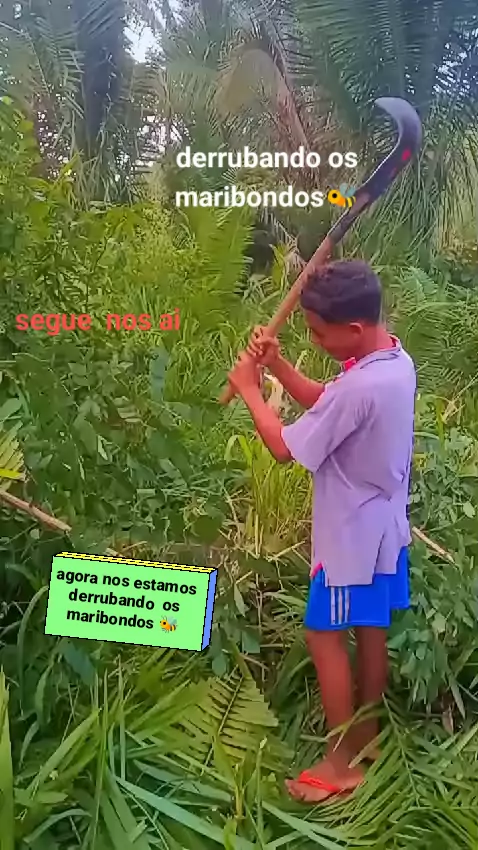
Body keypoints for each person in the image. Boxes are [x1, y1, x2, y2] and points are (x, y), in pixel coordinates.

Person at [227, 259, 416, 803]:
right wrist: (279, 367)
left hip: (349, 540)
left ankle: (340, 764)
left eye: (317, 332)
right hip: (385, 531)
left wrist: (250, 390)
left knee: (324, 635)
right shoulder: (393, 361)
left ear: (353, 329)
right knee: (371, 627)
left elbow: (283, 448)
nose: (313, 339)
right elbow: (327, 402)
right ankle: (367, 736)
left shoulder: (361, 387)